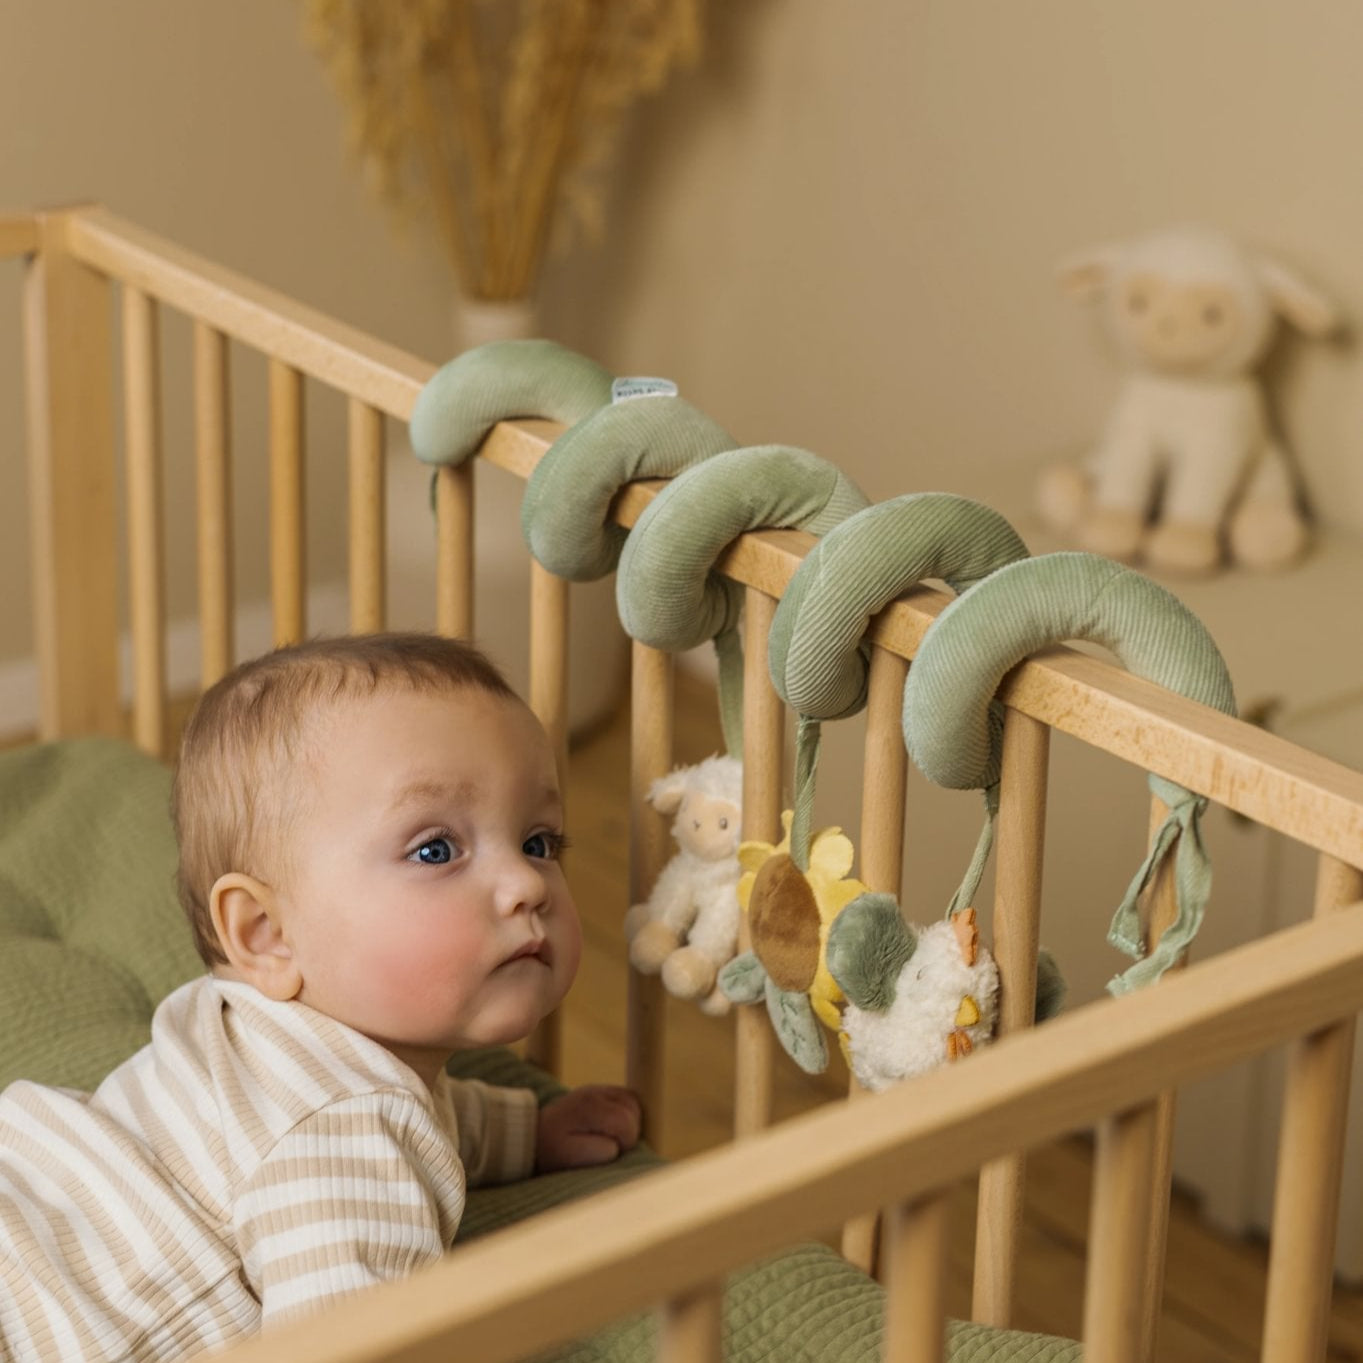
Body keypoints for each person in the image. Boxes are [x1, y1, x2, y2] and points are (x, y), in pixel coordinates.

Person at [0, 632, 641, 1361]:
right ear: (267, 931)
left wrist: (531, 1132)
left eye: (538, 841)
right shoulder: (345, 1134)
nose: (528, 884)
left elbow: (426, 1110)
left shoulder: (274, 1038)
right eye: (436, 849)